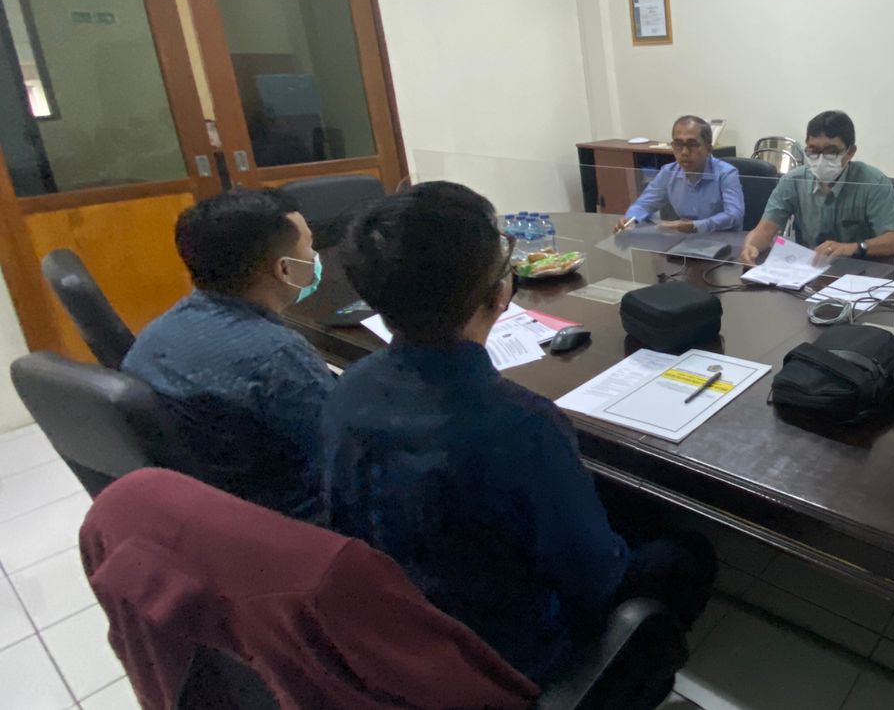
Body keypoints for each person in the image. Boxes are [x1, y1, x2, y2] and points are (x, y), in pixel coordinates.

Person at [322, 182, 714, 683]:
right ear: (498, 292)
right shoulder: (519, 426)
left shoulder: (349, 387)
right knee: (687, 551)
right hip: (512, 656)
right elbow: (597, 577)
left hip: (401, 622)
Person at [121, 188, 332, 520]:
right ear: (285, 269)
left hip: (208, 507)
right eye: (308, 246)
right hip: (293, 518)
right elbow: (347, 451)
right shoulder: (277, 356)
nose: (315, 256)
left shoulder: (156, 334)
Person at [739, 110, 894, 265]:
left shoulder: (873, 183)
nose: (821, 160)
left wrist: (853, 247)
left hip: (860, 269)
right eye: (813, 151)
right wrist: (751, 247)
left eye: (831, 152)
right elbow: (765, 230)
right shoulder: (793, 181)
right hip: (808, 267)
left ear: (850, 151)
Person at [615, 115, 743, 233]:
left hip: (724, 240)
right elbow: (644, 205)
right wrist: (631, 219)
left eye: (692, 145)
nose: (684, 152)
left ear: (708, 148)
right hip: (686, 240)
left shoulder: (726, 173)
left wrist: (695, 225)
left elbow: (734, 215)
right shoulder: (669, 172)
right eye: (678, 144)